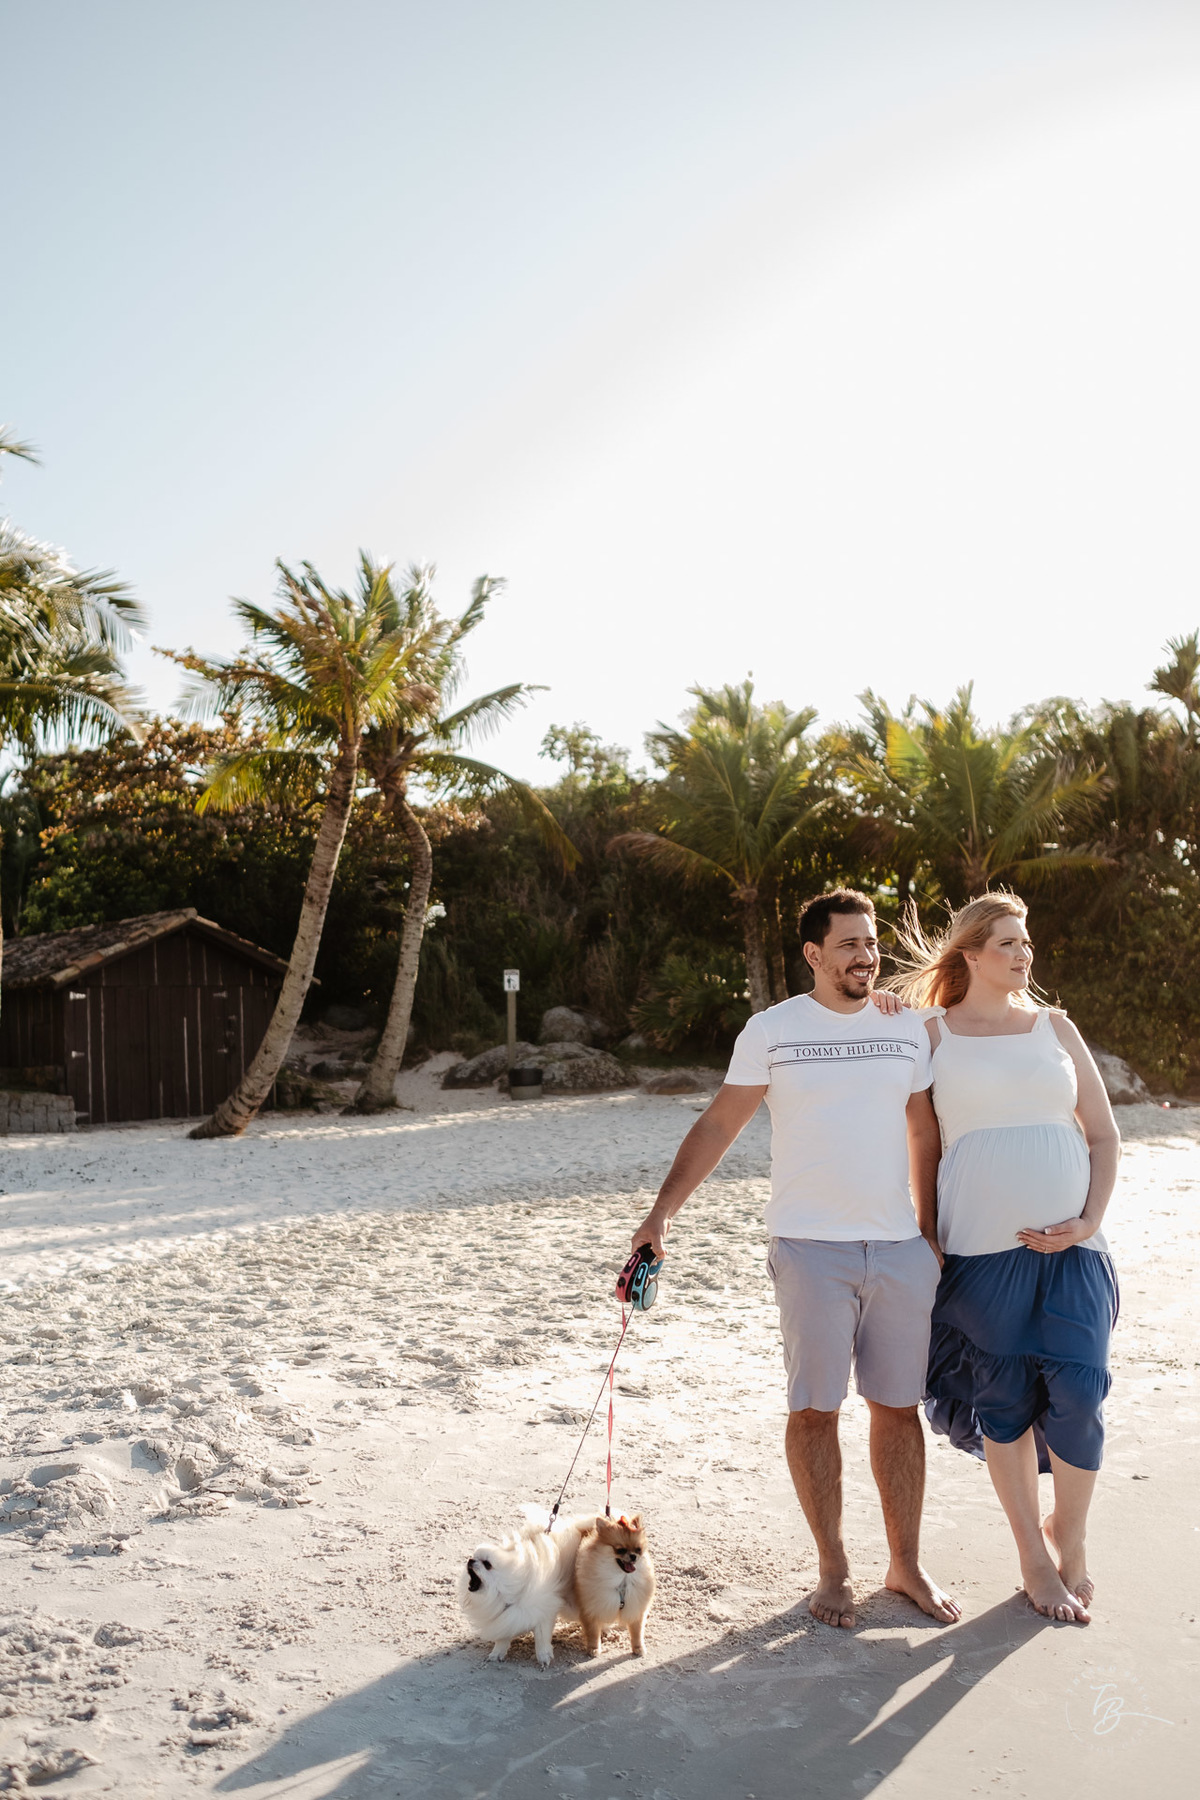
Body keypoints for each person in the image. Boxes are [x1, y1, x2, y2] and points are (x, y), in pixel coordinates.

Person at [632, 888, 960, 1630]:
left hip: (900, 1248)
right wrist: (661, 1214)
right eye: (849, 945)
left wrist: (929, 1231)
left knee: (898, 1409)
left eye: (871, 944)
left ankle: (904, 1563)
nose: (866, 957)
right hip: (809, 1248)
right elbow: (719, 1123)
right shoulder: (772, 1031)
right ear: (813, 954)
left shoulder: (906, 1027)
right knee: (814, 1410)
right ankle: (833, 1566)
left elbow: (924, 1130)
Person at [890, 893, 1120, 1626]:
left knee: (1081, 1393)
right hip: (979, 1252)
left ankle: (1069, 1535)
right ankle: (1033, 1558)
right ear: (970, 954)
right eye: (1008, 944)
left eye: (1026, 943)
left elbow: (1103, 1135)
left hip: (1075, 1251)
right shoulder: (930, 1033)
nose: (1024, 955)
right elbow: (924, 1143)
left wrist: (1089, 1221)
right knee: (1005, 1403)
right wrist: (927, 1232)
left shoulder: (1056, 1027)